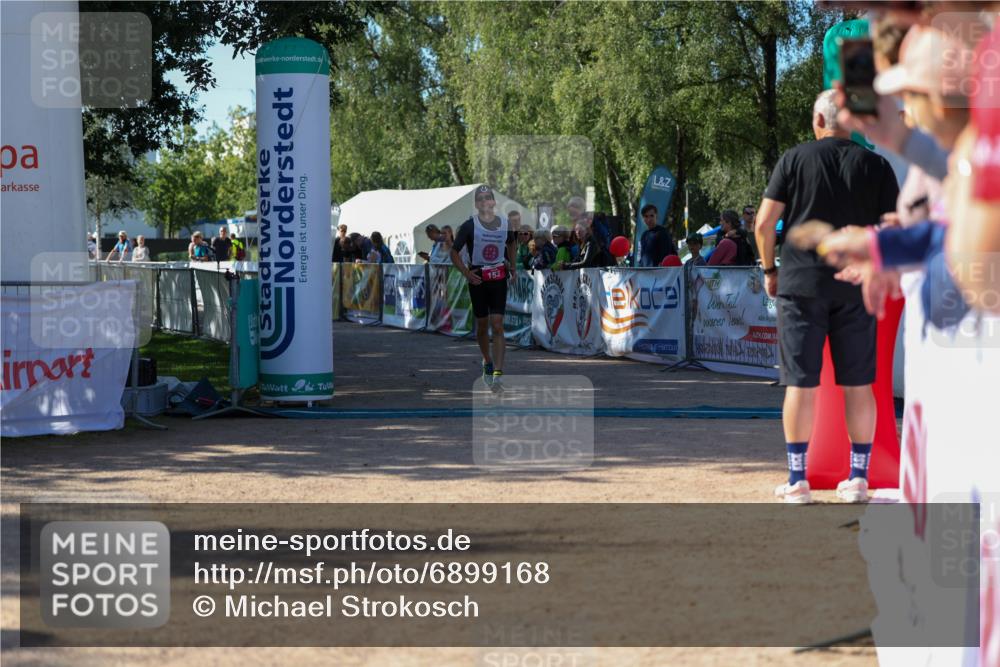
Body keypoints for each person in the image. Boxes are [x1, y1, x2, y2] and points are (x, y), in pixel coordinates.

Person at [755, 89, 899, 504]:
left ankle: (798, 480)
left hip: (801, 284)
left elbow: (764, 223)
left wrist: (769, 270)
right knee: (859, 385)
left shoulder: (794, 159)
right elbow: (893, 230)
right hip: (856, 284)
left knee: (800, 383)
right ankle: (858, 478)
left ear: (818, 120)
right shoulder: (877, 165)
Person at [450, 185, 517, 387]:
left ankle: (498, 371)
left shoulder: (505, 224)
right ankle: (487, 360)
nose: (485, 202)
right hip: (478, 278)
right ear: (477, 204)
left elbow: (512, 243)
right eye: (481, 199)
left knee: (497, 323)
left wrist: (512, 266)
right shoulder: (469, 226)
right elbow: (454, 252)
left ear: (494, 202)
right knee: (482, 325)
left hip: (498, 277)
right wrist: (467, 273)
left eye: (488, 198)